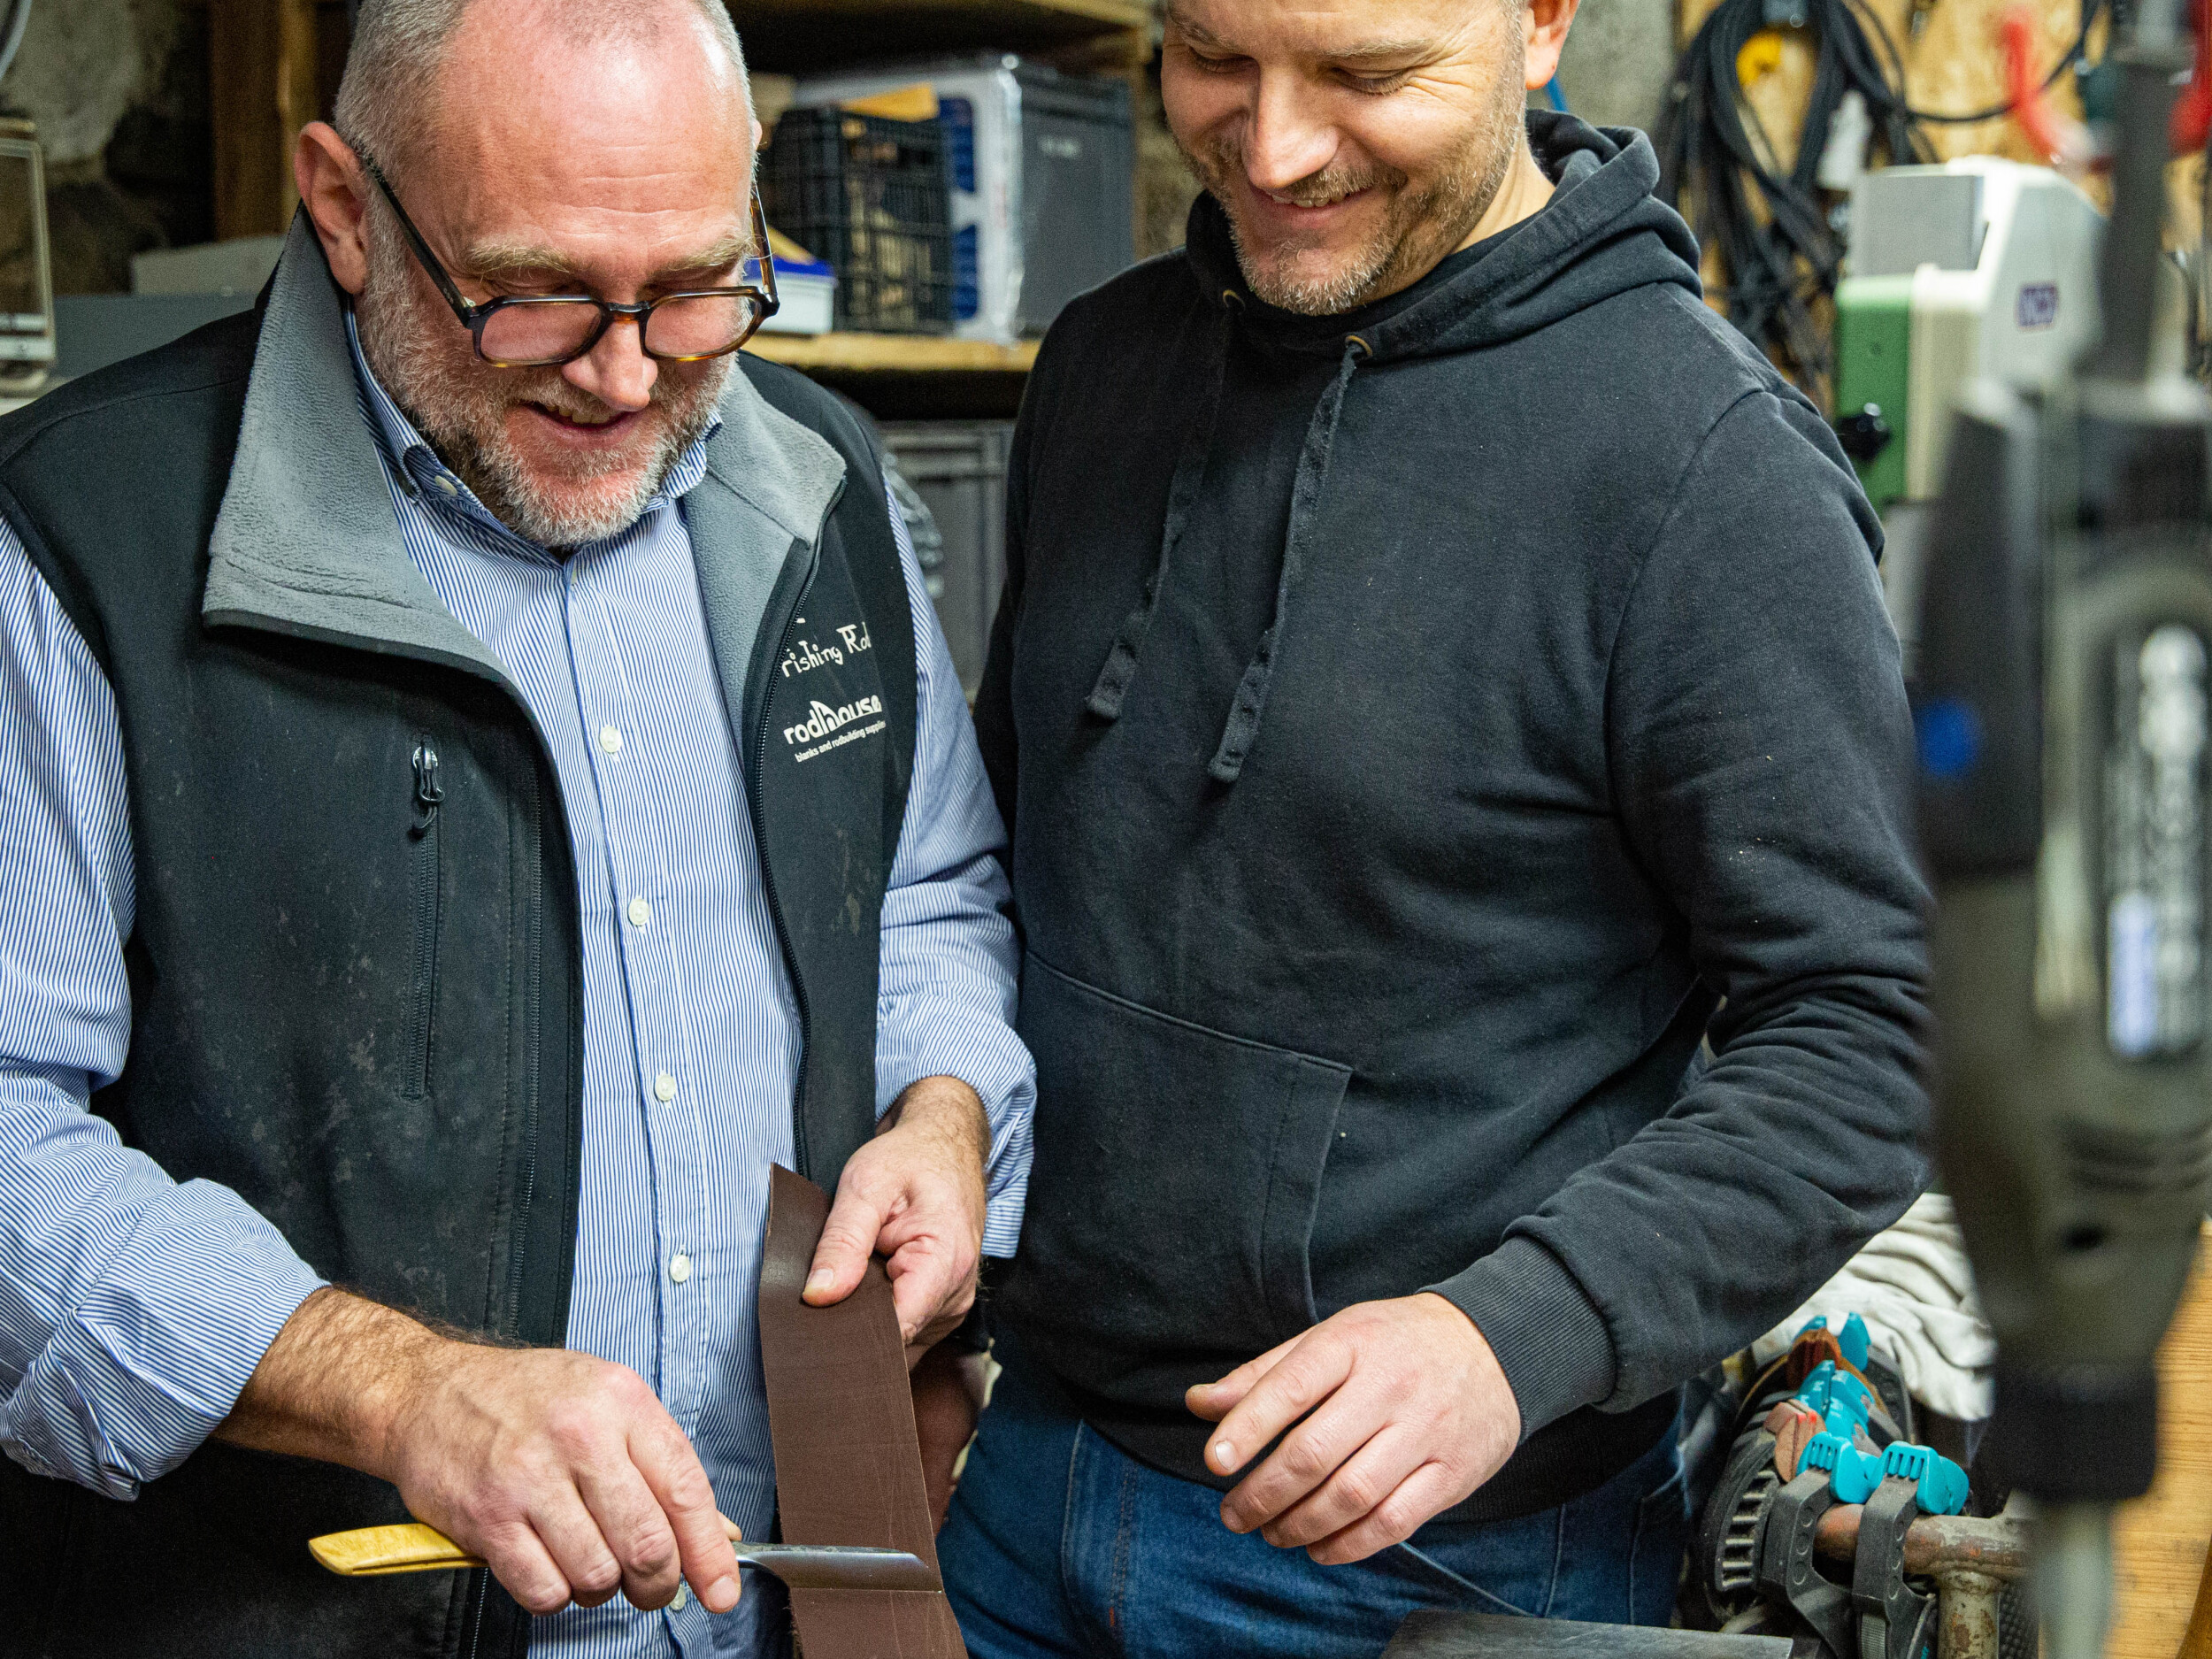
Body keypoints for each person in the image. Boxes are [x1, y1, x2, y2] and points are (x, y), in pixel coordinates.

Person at [0, 2, 1031, 1655]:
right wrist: (400, 1392)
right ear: (344, 207)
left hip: (781, 1607)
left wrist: (945, 1112)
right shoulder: (78, 548)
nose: (629, 373)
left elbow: (924, 897)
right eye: (539, 294)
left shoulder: (821, 489)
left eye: (700, 287)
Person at [937, 0, 1929, 1651]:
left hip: (1432, 1559)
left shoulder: (1705, 473)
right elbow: (998, 854)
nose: (1272, 147)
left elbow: (1876, 1031)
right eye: (1212, 59)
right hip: (1029, 1469)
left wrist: (1510, 1337)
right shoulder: (1104, 367)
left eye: (1362, 77)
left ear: (1541, 25)